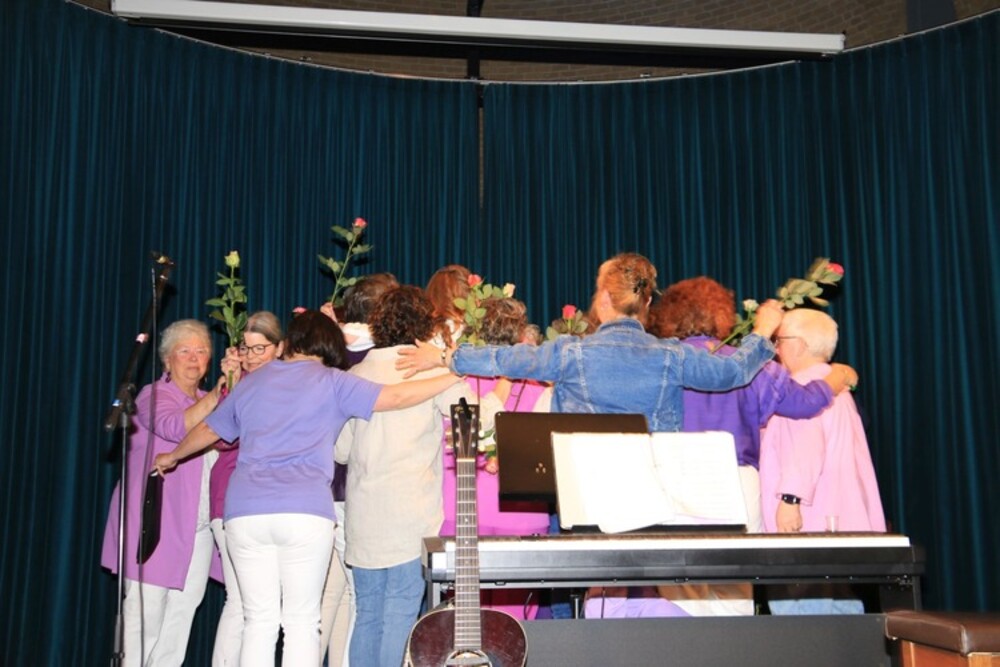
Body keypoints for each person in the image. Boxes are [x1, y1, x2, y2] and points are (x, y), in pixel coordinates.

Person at [153, 310, 466, 667]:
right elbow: (395, 397)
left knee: (258, 619)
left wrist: (173, 456)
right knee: (301, 622)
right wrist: (453, 373)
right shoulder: (333, 381)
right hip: (304, 511)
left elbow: (210, 429)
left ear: (289, 344)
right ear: (331, 345)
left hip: (244, 513)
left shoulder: (254, 381)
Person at [645, 277, 858, 616]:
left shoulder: (660, 364)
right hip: (736, 485)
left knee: (681, 592)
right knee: (734, 592)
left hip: (674, 480)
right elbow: (804, 404)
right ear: (723, 316)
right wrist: (836, 377)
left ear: (668, 315)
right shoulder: (751, 364)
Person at [398, 253, 786, 433]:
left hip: (583, 490)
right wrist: (763, 331)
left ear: (602, 301)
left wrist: (445, 356)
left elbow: (506, 359)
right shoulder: (671, 356)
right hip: (652, 492)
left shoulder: (569, 352)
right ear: (646, 303)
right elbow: (732, 372)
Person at [335, 285, 508, 667]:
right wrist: (501, 386)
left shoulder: (355, 374)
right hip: (410, 515)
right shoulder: (430, 372)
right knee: (400, 610)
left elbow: (341, 451)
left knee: (367, 613)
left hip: (363, 516)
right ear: (423, 325)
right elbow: (478, 422)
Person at [101, 319, 234, 667]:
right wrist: (218, 396)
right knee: (144, 612)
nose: (194, 358)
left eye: (201, 351)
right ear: (166, 359)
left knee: (182, 613)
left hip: (199, 527)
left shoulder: (209, 399)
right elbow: (177, 427)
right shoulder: (153, 395)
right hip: (155, 523)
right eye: (184, 351)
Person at [758, 308, 886, 614]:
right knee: (838, 606)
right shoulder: (837, 389)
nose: (776, 349)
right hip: (836, 521)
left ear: (800, 345)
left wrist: (790, 499)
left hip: (806, 522)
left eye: (780, 340)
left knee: (803, 612)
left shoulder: (801, 389)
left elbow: (806, 445)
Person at [440, 296, 551, 621]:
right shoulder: (541, 388)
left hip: (461, 510)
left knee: (463, 620)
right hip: (521, 515)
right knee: (512, 626)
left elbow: (449, 439)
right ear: (521, 336)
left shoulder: (455, 382)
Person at [319, 273, 399, 667]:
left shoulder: (329, 350)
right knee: (364, 599)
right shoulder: (381, 355)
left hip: (328, 488)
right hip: (359, 489)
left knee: (332, 595)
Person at [209, 312, 284, 667]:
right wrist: (231, 385)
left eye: (260, 349)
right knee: (241, 602)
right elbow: (222, 438)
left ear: (279, 348)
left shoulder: (286, 384)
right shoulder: (237, 384)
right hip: (231, 498)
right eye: (246, 348)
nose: (252, 356)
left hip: (270, 503)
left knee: (258, 604)